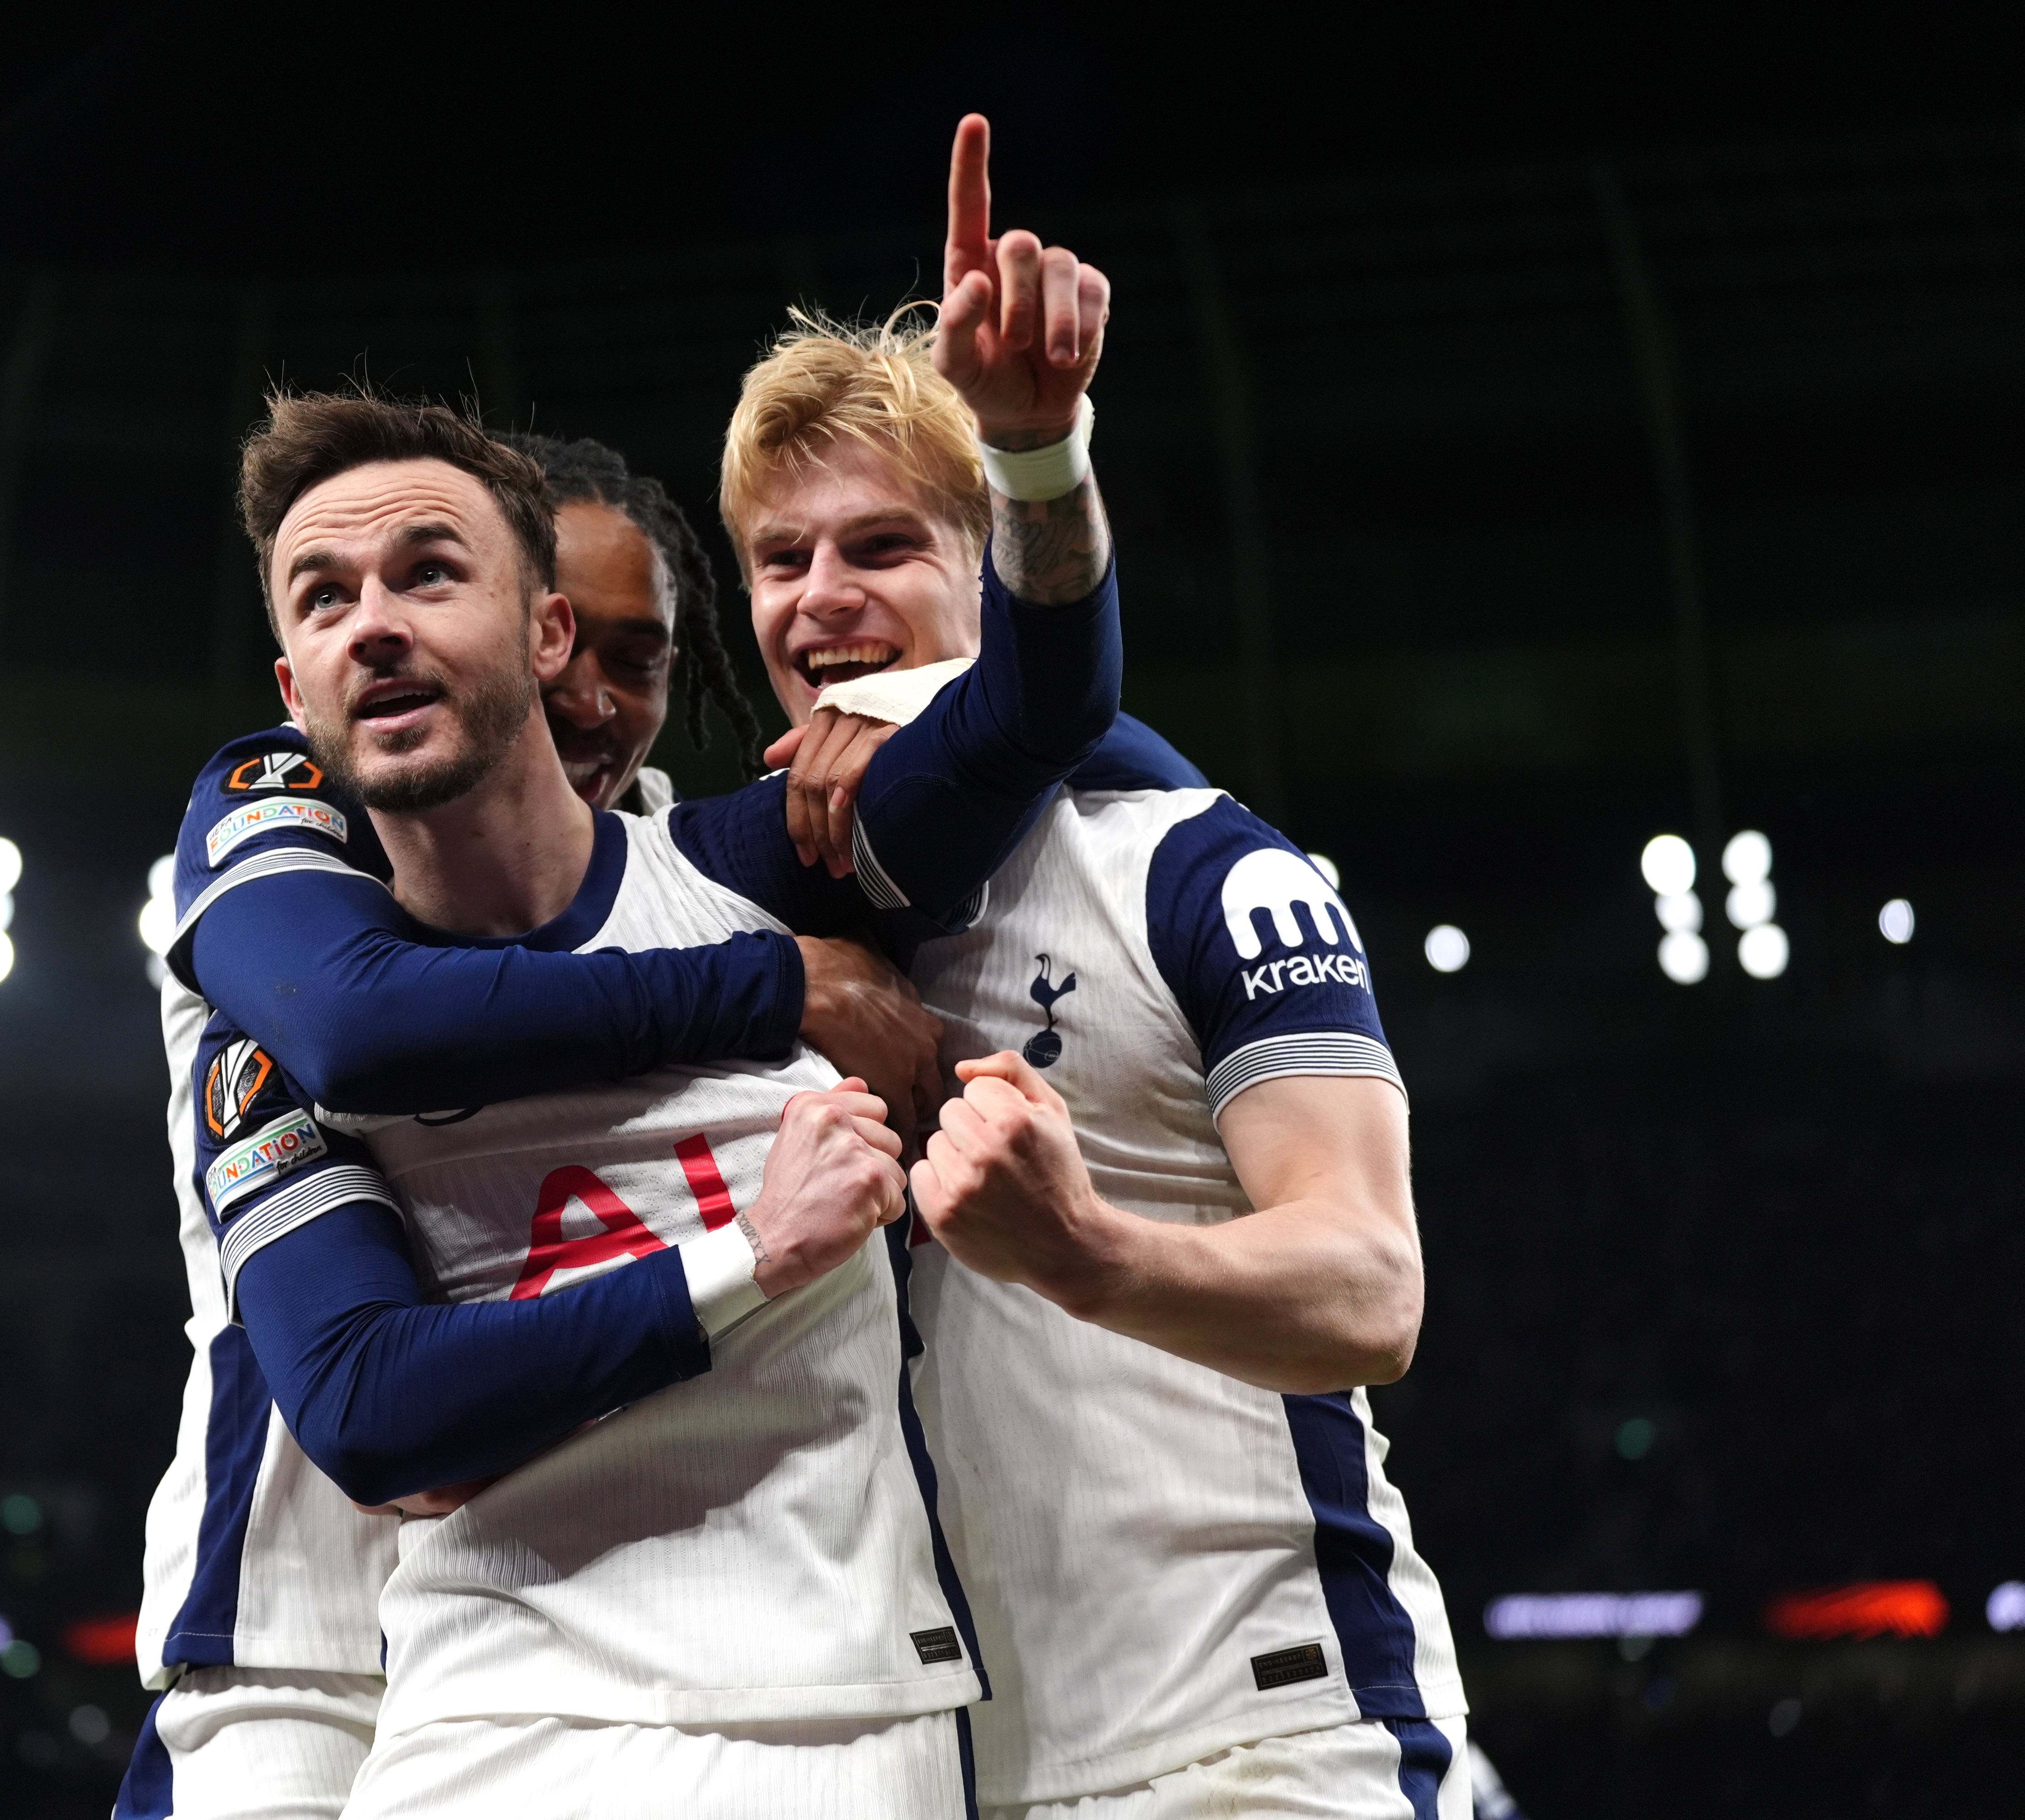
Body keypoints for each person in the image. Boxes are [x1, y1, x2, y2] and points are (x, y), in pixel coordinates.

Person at [200, 356, 1116, 1815]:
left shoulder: (756, 866)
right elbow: (371, 1404)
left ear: (535, 627)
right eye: (323, 598)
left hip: (835, 1713)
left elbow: (1043, 703)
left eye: (429, 576)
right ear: (286, 686)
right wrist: (746, 1245)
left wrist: (1028, 458)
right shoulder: (269, 994)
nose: (372, 626)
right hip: (463, 1717)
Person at [739, 117, 1470, 1820]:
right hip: (945, 1774)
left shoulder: (1207, 864)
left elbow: (1370, 1290)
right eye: (782, 559)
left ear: (987, 577)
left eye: (882, 547)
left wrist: (1085, 1246)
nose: (824, 598)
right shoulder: (790, 917)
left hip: (1257, 1738)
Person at [505, 430, 757, 817]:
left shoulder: (696, 861)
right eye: (546, 641)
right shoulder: (381, 860)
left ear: (667, 674)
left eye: (637, 661)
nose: (590, 707)